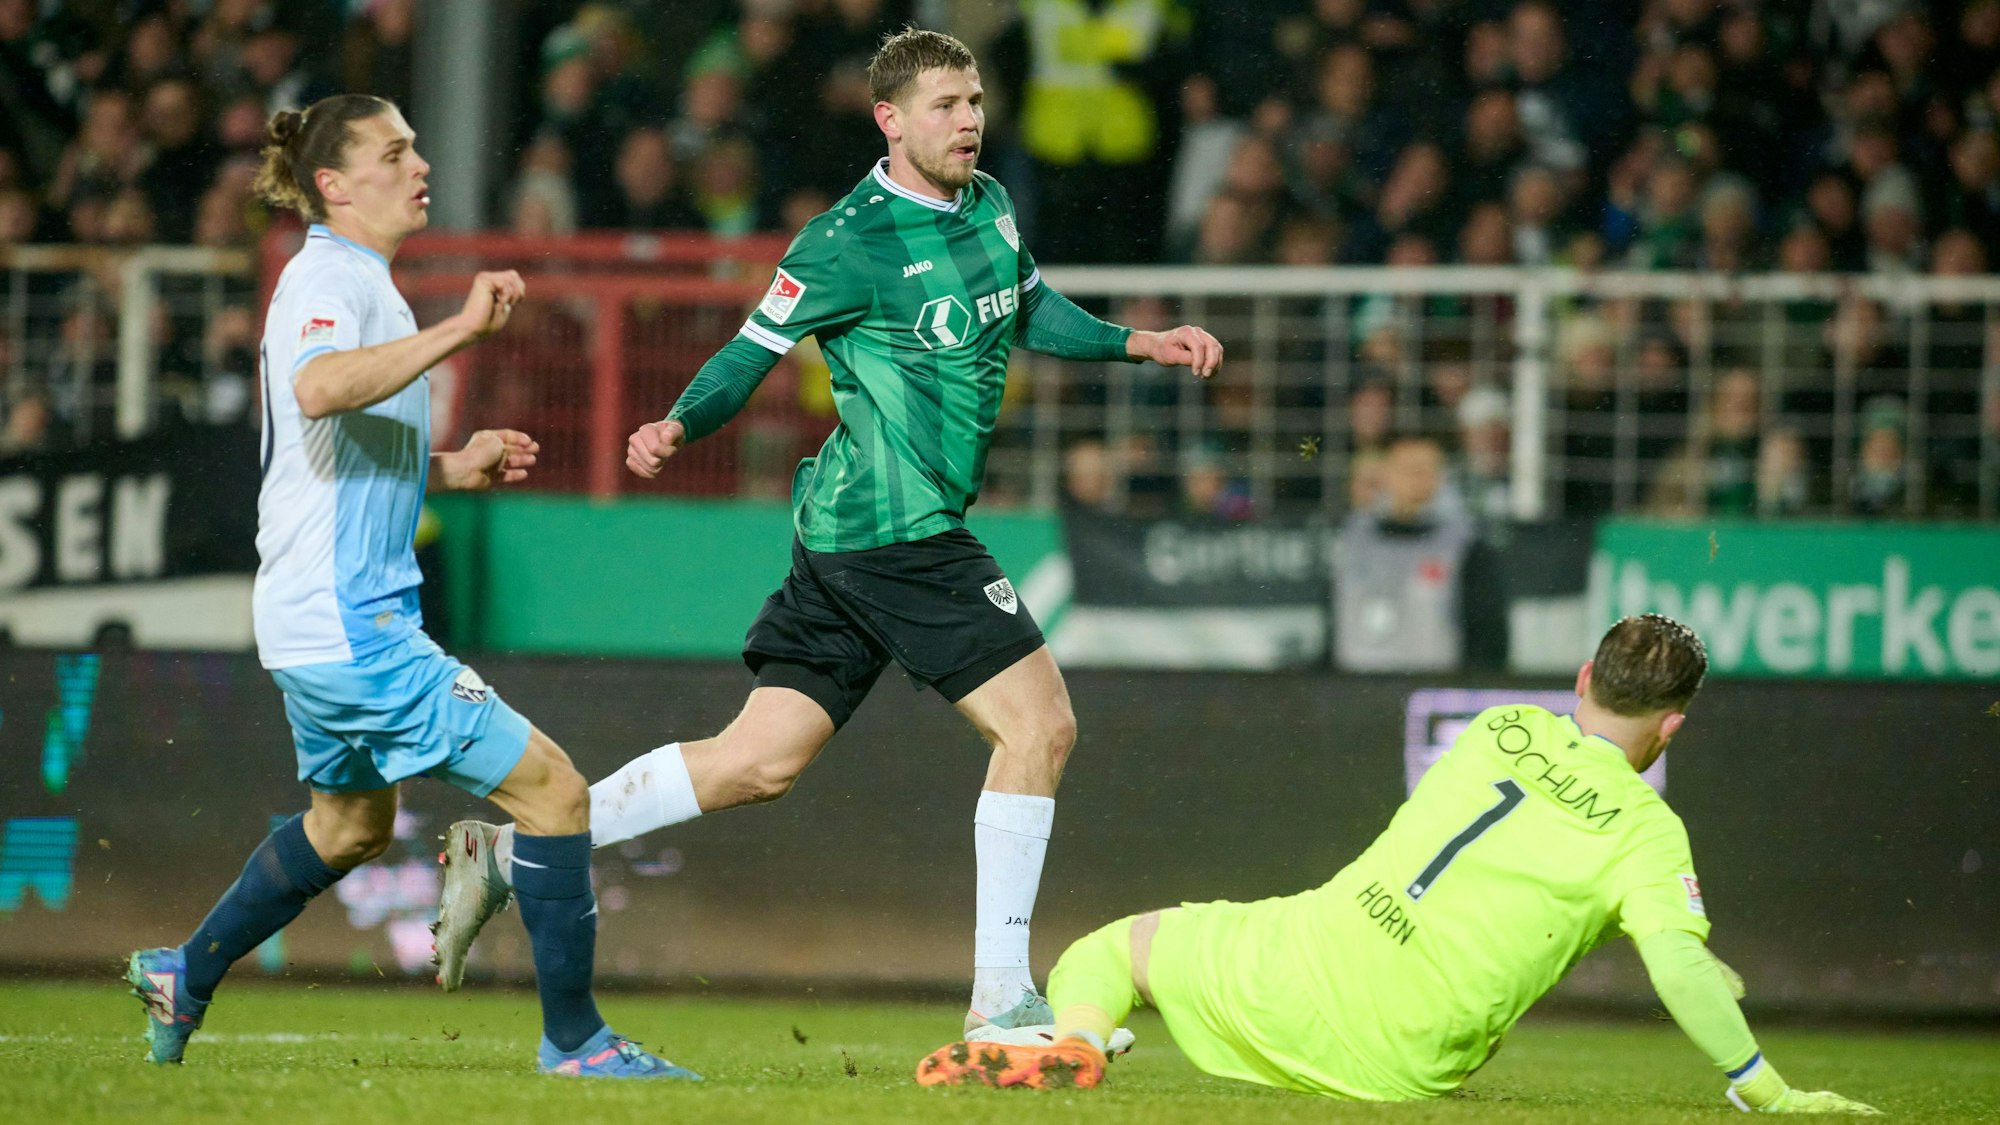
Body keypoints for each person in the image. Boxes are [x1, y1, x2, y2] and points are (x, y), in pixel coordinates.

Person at [430, 27, 1223, 1043]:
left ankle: (507, 853)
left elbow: (1026, 308)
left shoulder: (988, 206)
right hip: (893, 535)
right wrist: (678, 420)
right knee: (1039, 727)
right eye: (944, 105)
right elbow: (751, 349)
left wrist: (1138, 343)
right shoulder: (846, 241)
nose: (969, 119)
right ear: (889, 119)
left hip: (846, 538)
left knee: (758, 760)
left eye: (974, 100)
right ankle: (998, 1000)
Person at [123, 94, 696, 1082]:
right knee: (554, 792)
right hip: (352, 622)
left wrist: (447, 463)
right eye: (395, 152)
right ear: (335, 186)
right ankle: (576, 1042)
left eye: (417, 144)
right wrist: (460, 331)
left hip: (315, 618)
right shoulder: (326, 277)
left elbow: (324, 451)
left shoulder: (359, 284)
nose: (419, 163)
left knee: (351, 825)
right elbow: (316, 389)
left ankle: (188, 969)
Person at [914, 615, 1879, 1117]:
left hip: (1297, 960)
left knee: (1110, 948)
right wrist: (1760, 1080)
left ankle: (1077, 1040)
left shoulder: (1499, 728)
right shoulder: (1645, 835)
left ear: (1584, 680)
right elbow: (1673, 967)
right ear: (1674, 726)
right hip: (1401, 1059)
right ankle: (1077, 1046)